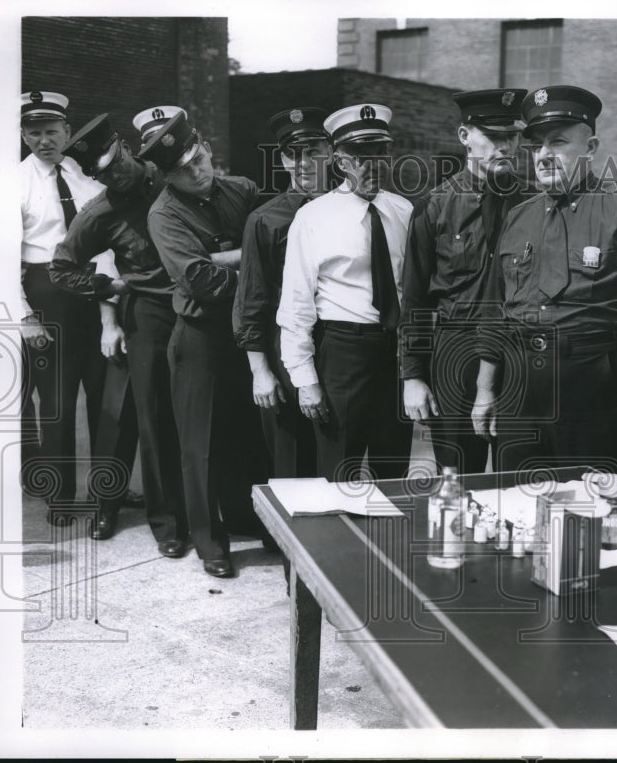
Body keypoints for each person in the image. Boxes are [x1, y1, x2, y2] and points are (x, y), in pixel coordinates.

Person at [471, 85, 617, 477]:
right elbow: (497, 310)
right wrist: (484, 390)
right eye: (537, 146)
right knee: (514, 505)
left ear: (590, 147)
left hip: (596, 381)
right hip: (522, 380)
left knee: (590, 512)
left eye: (557, 142)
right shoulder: (518, 217)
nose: (544, 155)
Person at [50, 112, 189, 554]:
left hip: (197, 305)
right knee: (133, 411)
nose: (113, 174)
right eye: (101, 172)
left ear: (127, 148)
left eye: (116, 162)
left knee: (181, 413)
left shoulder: (173, 180)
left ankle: (192, 506)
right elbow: (61, 267)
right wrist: (109, 288)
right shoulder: (101, 211)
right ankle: (126, 511)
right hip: (145, 309)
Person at [142, 110, 270, 578]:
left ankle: (246, 518)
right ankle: (209, 541)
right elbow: (201, 281)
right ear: (166, 175)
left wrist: (224, 258)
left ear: (207, 150)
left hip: (249, 333)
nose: (195, 172)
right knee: (201, 445)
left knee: (247, 434)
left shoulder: (244, 189)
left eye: (197, 160)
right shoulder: (163, 213)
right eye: (181, 170)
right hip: (203, 336)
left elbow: (281, 235)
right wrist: (251, 258)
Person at [277, 103, 414, 483]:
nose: (372, 165)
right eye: (359, 156)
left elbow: (410, 288)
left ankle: (387, 543)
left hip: (394, 354)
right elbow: (296, 305)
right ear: (340, 161)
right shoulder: (314, 217)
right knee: (339, 470)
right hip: (343, 354)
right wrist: (305, 380)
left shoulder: (403, 211)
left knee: (393, 469)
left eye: (379, 153)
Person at [400, 88, 529, 474]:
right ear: (465, 137)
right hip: (456, 352)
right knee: (457, 480)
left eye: (511, 136)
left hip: (518, 353)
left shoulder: (533, 203)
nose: (504, 146)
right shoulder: (435, 206)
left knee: (518, 476)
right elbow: (416, 299)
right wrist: (414, 375)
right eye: (492, 136)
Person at [18, 90, 126, 519]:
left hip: (95, 288)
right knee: (57, 401)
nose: (44, 140)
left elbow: (106, 240)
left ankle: (108, 495)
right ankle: (60, 496)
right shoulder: (11, 181)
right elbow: (0, 258)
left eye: (52, 131)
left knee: (105, 397)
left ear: (67, 130)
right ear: (25, 135)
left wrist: (108, 310)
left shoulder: (86, 176)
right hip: (46, 294)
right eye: (35, 132)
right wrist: (26, 316)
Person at [233, 107, 332, 478]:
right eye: (293, 154)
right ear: (282, 159)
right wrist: (260, 370)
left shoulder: (350, 209)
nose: (303, 163)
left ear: (332, 151)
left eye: (313, 151)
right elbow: (251, 301)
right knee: (291, 464)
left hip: (338, 353)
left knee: (332, 464)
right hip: (283, 353)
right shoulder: (267, 219)